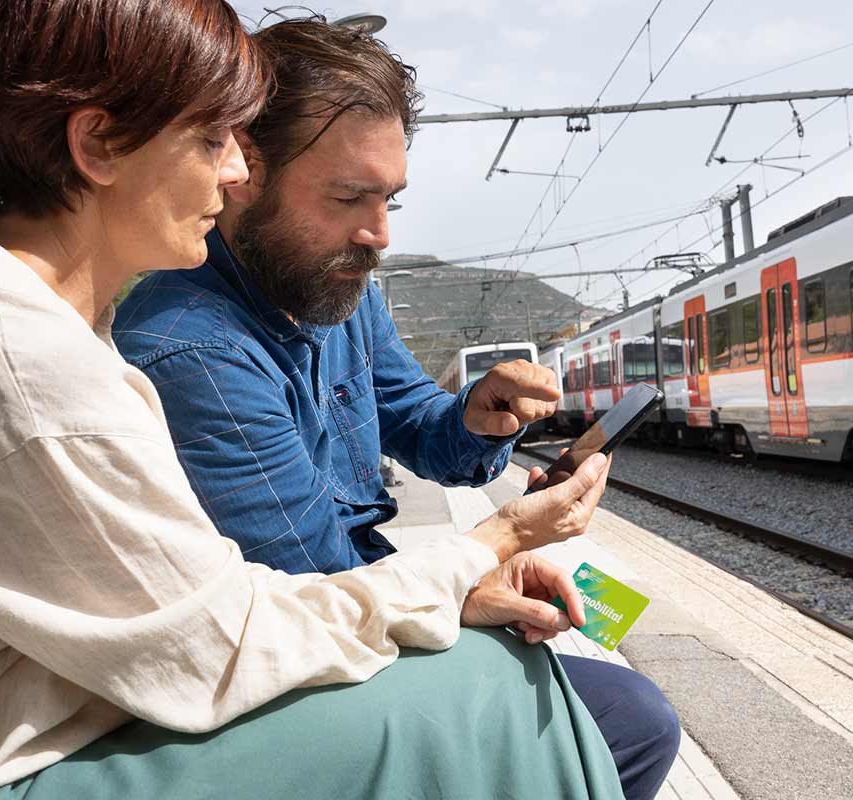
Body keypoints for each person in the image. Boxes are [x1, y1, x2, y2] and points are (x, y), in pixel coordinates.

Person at [0, 2, 625, 799]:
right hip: (14, 759)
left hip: (80, 704)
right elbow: (226, 645)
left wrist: (469, 438)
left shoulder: (52, 325)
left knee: (533, 696)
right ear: (98, 143)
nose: (234, 172)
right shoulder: (59, 366)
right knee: (517, 705)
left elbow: (214, 617)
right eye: (213, 139)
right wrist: (484, 548)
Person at [114, 16, 680, 800]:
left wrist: (476, 418)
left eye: (390, 201)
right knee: (627, 718)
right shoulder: (195, 350)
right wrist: (483, 559)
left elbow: (413, 417)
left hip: (346, 599)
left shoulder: (337, 286)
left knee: (573, 688)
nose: (377, 235)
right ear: (240, 170)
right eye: (349, 197)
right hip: (277, 657)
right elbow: (313, 577)